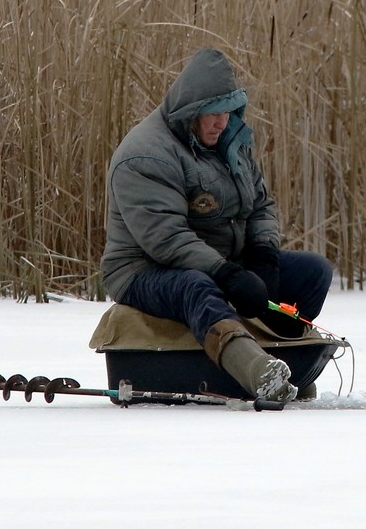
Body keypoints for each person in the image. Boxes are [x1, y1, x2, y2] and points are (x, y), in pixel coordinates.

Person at [100, 48, 332, 402]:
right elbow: (167, 240)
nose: (220, 123)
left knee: (313, 272)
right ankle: (258, 372)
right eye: (211, 113)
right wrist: (227, 274)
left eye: (226, 111)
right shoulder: (145, 155)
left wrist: (263, 256)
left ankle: (287, 363)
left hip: (220, 259)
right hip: (144, 268)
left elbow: (261, 205)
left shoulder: (230, 144)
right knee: (195, 285)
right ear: (190, 112)